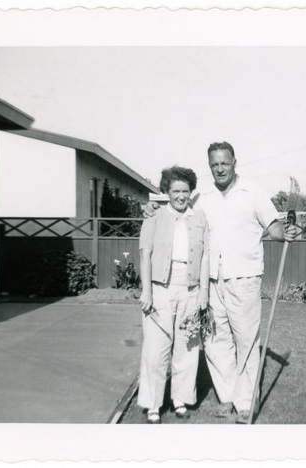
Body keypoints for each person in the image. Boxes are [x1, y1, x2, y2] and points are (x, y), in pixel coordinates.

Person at [143, 142, 296, 423]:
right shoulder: (204, 197)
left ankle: (246, 404)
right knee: (214, 341)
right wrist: (153, 208)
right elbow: (176, 208)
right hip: (212, 281)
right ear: (210, 166)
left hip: (244, 278)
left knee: (246, 341)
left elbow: (274, 228)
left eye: (225, 163)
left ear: (235, 162)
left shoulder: (253, 193)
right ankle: (227, 398)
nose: (220, 168)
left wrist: (287, 231)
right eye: (214, 164)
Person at [137, 166, 209, 424]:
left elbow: (205, 256)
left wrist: (203, 292)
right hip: (160, 290)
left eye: (185, 191)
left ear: (191, 192)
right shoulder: (154, 217)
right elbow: (145, 253)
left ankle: (180, 399)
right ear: (166, 191)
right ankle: (153, 403)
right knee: (156, 349)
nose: (181, 196)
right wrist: (147, 291)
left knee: (188, 346)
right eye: (176, 191)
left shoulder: (199, 218)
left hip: (189, 290)